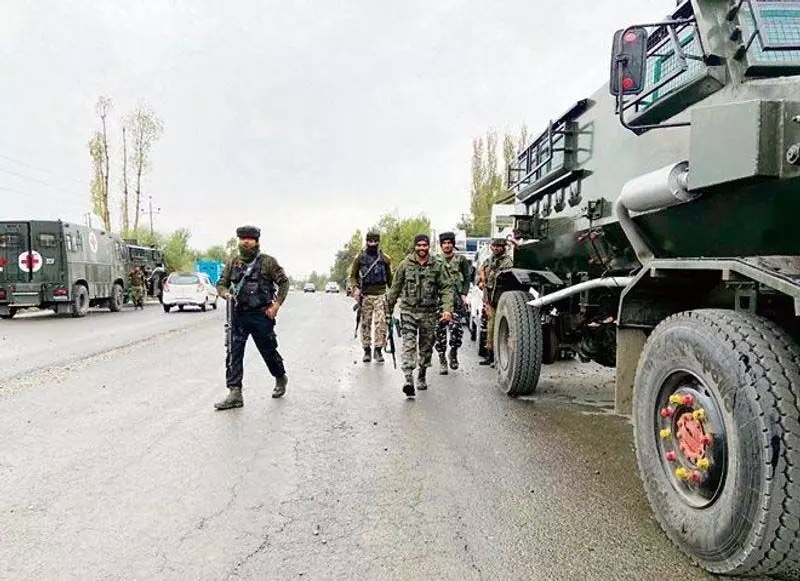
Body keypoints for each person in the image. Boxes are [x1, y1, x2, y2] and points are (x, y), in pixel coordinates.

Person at [214, 225, 290, 410]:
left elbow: (283, 282)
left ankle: (280, 377)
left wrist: (276, 305)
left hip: (261, 316)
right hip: (238, 316)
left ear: (256, 241)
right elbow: (221, 284)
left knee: (268, 351)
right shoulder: (233, 262)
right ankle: (235, 392)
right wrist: (226, 295)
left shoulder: (267, 262)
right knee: (233, 353)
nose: (246, 241)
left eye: (250, 238)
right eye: (243, 238)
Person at [385, 234, 454, 397]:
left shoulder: (437, 265)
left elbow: (446, 288)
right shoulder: (405, 264)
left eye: (425, 245)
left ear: (429, 246)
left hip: (429, 313)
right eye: (419, 245)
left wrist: (447, 309)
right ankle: (408, 378)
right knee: (408, 344)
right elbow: (395, 288)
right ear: (415, 246)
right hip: (408, 311)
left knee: (426, 346)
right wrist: (388, 310)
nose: (422, 248)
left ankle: (422, 374)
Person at [348, 232, 393, 363]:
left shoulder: (385, 258)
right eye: (370, 241)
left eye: (375, 241)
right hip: (365, 295)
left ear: (379, 242)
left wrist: (394, 295)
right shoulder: (360, 258)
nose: (372, 243)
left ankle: (378, 350)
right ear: (366, 241)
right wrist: (355, 288)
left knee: (381, 323)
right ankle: (366, 350)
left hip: (380, 295)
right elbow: (353, 276)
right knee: (365, 323)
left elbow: (391, 280)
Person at [434, 231, 471, 374]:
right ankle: (442, 357)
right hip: (440, 298)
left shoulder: (460, 260)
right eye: (445, 243)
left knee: (456, 329)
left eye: (450, 243)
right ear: (441, 245)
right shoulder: (436, 260)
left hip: (456, 298)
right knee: (439, 330)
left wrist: (463, 294)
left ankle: (453, 352)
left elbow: (467, 277)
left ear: (453, 244)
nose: (447, 245)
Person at [479, 237, 514, 366]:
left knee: (502, 330)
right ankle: (490, 355)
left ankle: (500, 357)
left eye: (498, 246)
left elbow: (504, 277)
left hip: (503, 299)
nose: (495, 248)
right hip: (490, 299)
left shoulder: (507, 262)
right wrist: (480, 282)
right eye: (493, 246)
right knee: (490, 327)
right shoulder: (488, 261)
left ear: (504, 247)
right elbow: (480, 274)